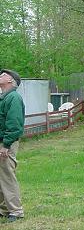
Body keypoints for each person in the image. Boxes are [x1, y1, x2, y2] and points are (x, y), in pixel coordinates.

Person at [0, 69, 25, 223]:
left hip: (6, 142)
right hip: (2, 141)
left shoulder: (13, 97)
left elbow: (15, 125)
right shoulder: (4, 97)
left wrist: (6, 145)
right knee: (1, 176)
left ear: (10, 80)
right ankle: (4, 209)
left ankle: (16, 211)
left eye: (2, 75)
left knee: (7, 176)